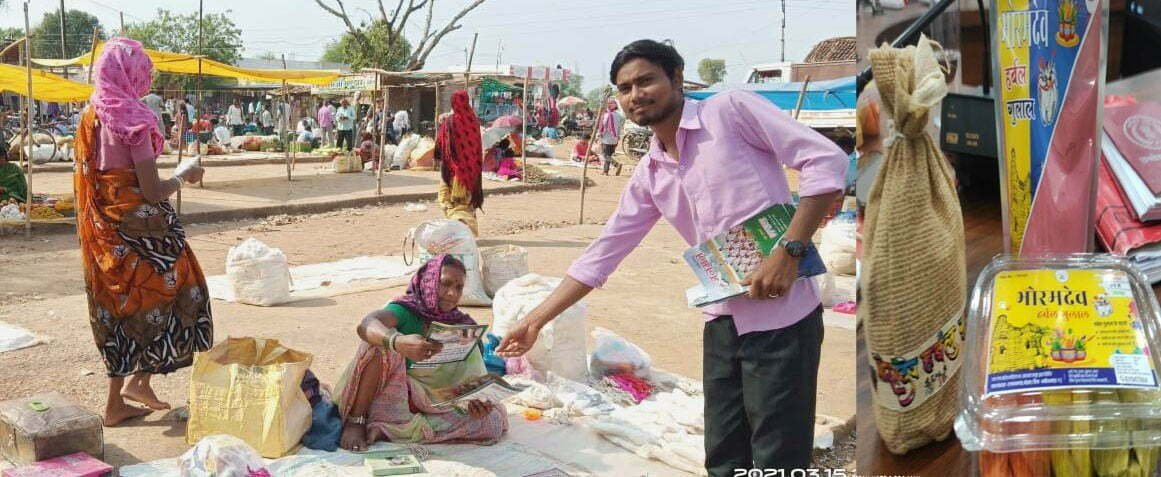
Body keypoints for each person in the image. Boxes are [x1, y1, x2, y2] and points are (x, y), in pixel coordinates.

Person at [496, 40, 845, 475]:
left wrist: (789, 250)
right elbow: (604, 252)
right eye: (624, 88)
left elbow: (826, 161)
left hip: (784, 319)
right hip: (722, 320)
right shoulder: (651, 171)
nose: (635, 95)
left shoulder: (731, 111)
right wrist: (535, 320)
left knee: (778, 454)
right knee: (723, 456)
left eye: (646, 80)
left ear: (676, 78)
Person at [73, 37, 213, 427]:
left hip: (105, 234)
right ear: (133, 74)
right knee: (186, 291)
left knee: (119, 308)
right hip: (144, 231)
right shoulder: (132, 118)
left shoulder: (91, 116)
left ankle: (117, 402)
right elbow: (152, 190)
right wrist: (184, 173)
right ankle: (141, 379)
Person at [336, 254, 508, 451]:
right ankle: (356, 421)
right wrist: (397, 342)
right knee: (377, 345)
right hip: (390, 399)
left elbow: (468, 381)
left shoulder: (462, 325)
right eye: (445, 284)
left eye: (458, 287)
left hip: (432, 405)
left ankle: (391, 430)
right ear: (428, 283)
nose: (452, 293)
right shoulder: (405, 310)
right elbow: (366, 325)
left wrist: (474, 404)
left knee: (492, 422)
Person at [434, 91, 484, 236]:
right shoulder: (474, 121)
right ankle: (467, 231)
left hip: (452, 172)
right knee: (467, 203)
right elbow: (477, 147)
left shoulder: (450, 122)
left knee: (447, 200)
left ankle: (458, 231)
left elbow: (441, 145)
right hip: (472, 172)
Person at [596, 98, 625, 175]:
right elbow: (619, 127)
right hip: (614, 138)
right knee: (608, 155)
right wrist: (618, 136)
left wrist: (598, 135)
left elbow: (603, 126)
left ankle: (616, 164)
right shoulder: (619, 115)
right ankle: (605, 171)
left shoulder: (606, 115)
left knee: (605, 154)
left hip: (606, 138)